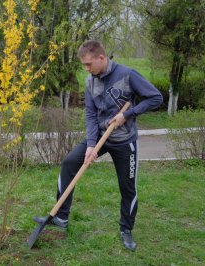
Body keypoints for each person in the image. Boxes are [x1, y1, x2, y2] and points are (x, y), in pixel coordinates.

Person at [34, 40, 163, 251]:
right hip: (102, 135)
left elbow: (155, 98)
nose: (86, 69)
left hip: (124, 141)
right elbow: (91, 114)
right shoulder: (90, 81)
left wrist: (127, 114)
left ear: (101, 58)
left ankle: (126, 229)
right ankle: (61, 217)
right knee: (69, 163)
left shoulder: (127, 74)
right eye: (84, 65)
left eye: (88, 64)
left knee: (127, 187)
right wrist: (91, 145)